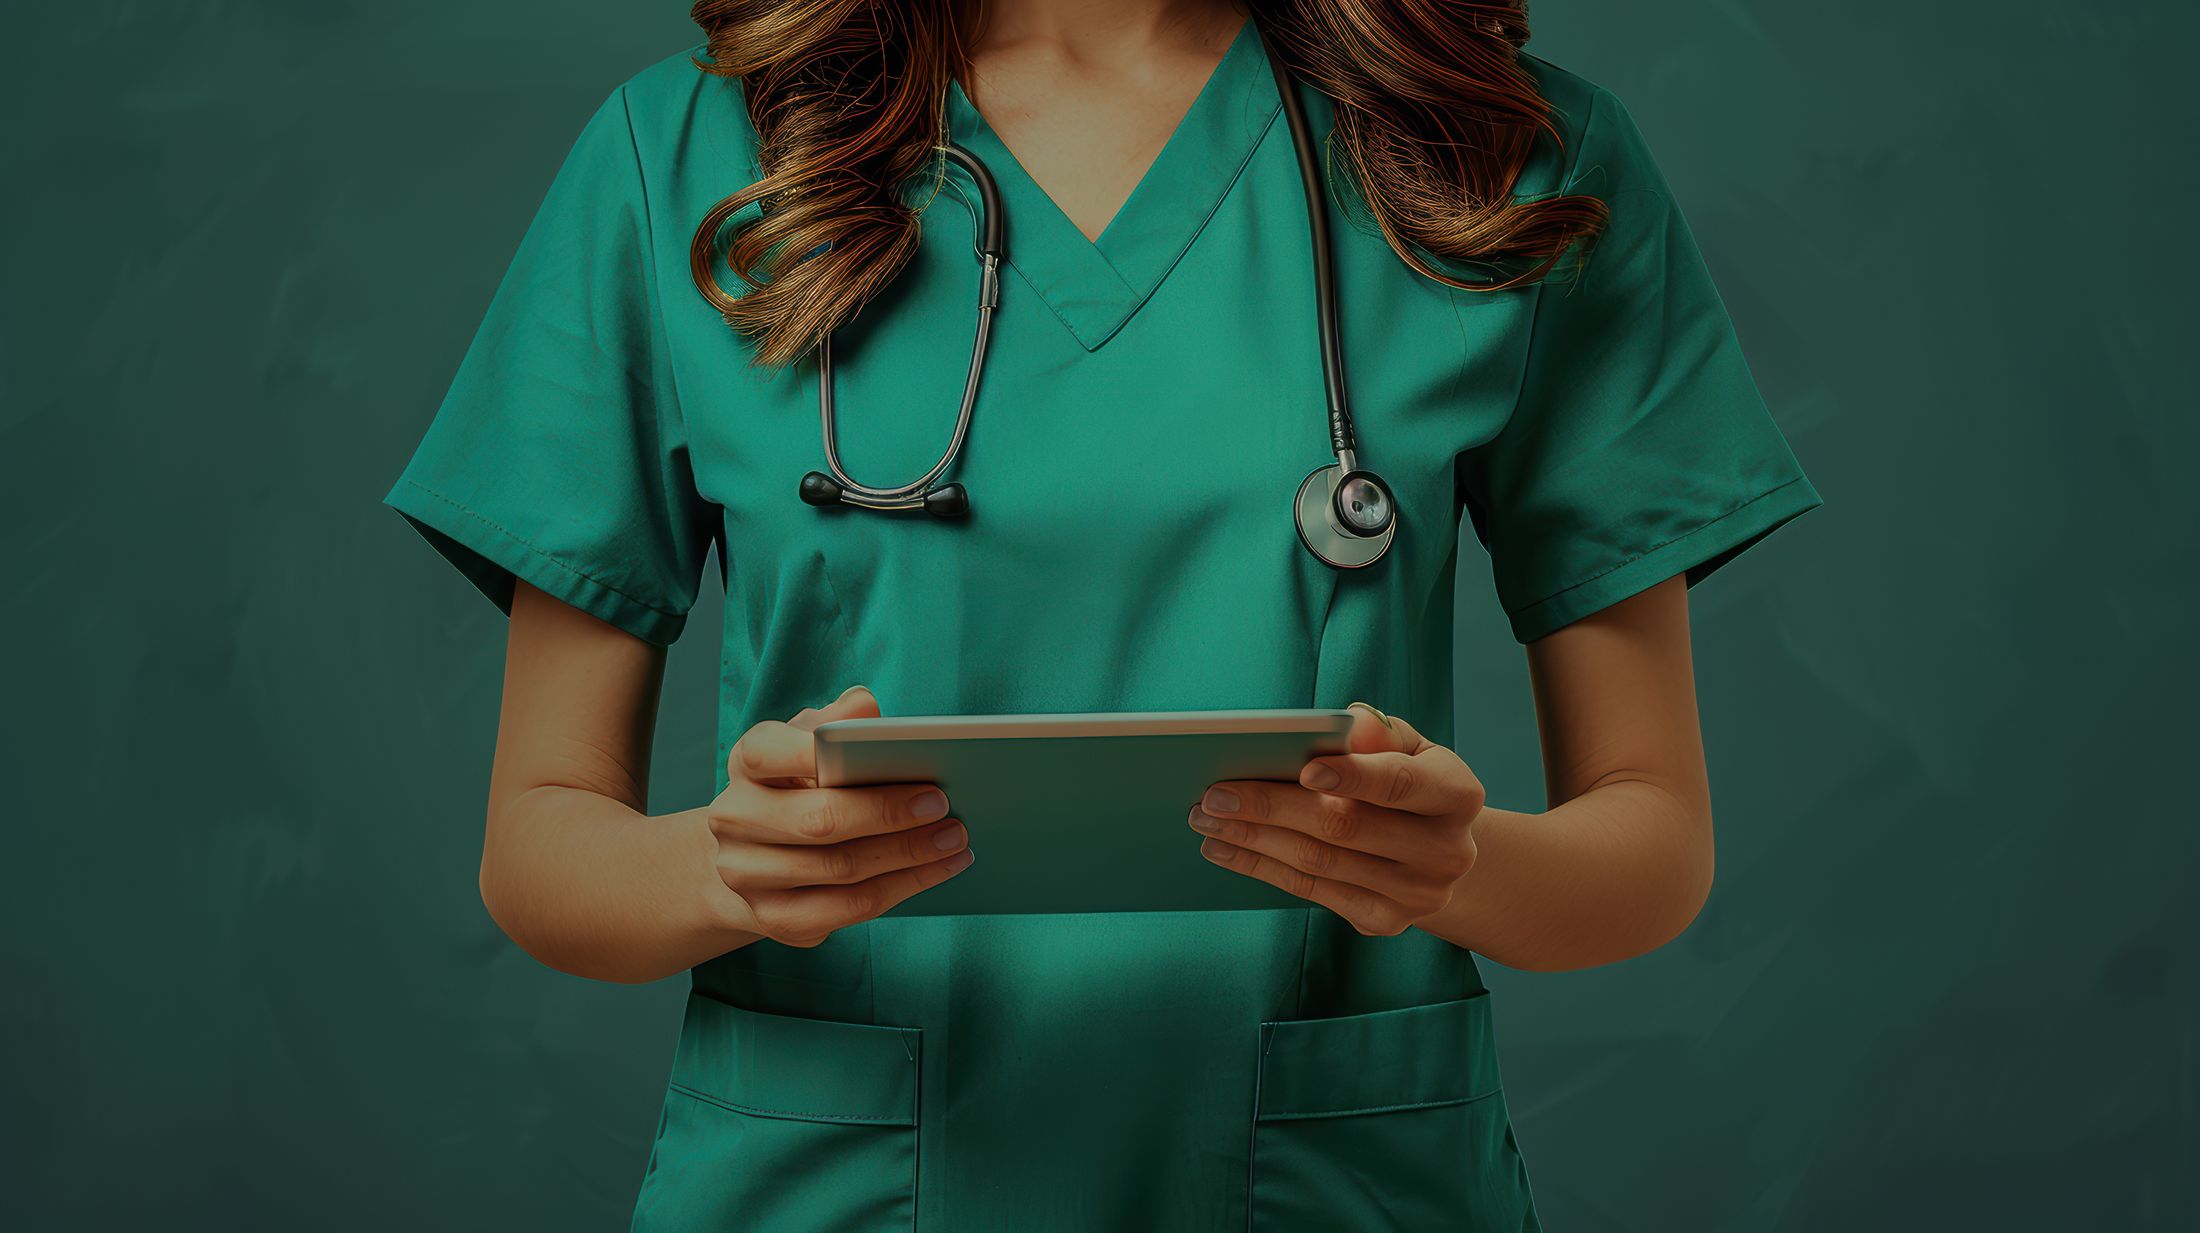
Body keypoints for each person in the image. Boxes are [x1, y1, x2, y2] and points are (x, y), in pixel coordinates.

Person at [382, 0, 1823, 1228]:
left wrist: (1448, 865)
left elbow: (1652, 839)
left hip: (1341, 1187)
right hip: (825, 1190)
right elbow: (541, 845)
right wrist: (726, 867)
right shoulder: (685, 162)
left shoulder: (1507, 159)